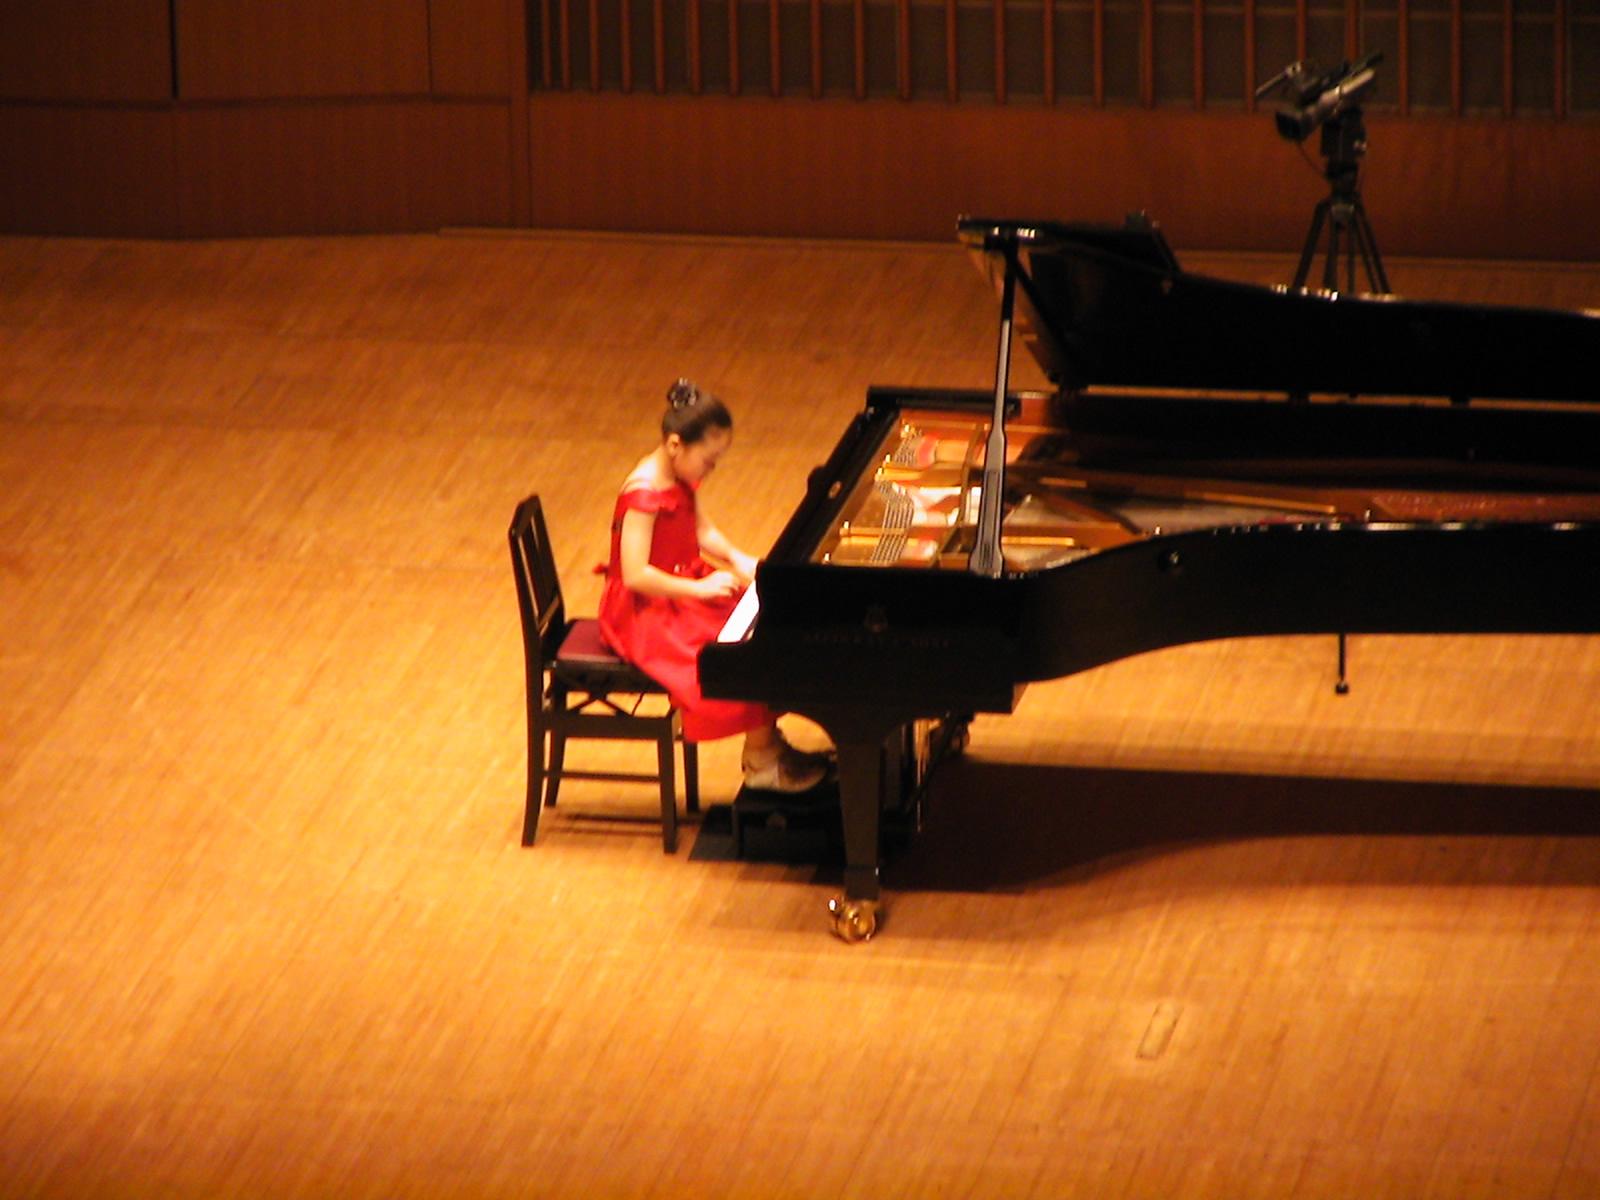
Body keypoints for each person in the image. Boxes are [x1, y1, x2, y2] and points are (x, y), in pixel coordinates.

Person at [598, 379, 830, 794]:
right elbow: (635, 575)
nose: (711, 469)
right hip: (644, 610)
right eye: (709, 460)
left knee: (761, 628)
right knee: (730, 652)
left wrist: (738, 559)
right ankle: (762, 762)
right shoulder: (642, 495)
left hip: (680, 587)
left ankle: (767, 744)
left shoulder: (678, 475)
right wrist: (700, 591)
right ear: (675, 445)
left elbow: (700, 529)